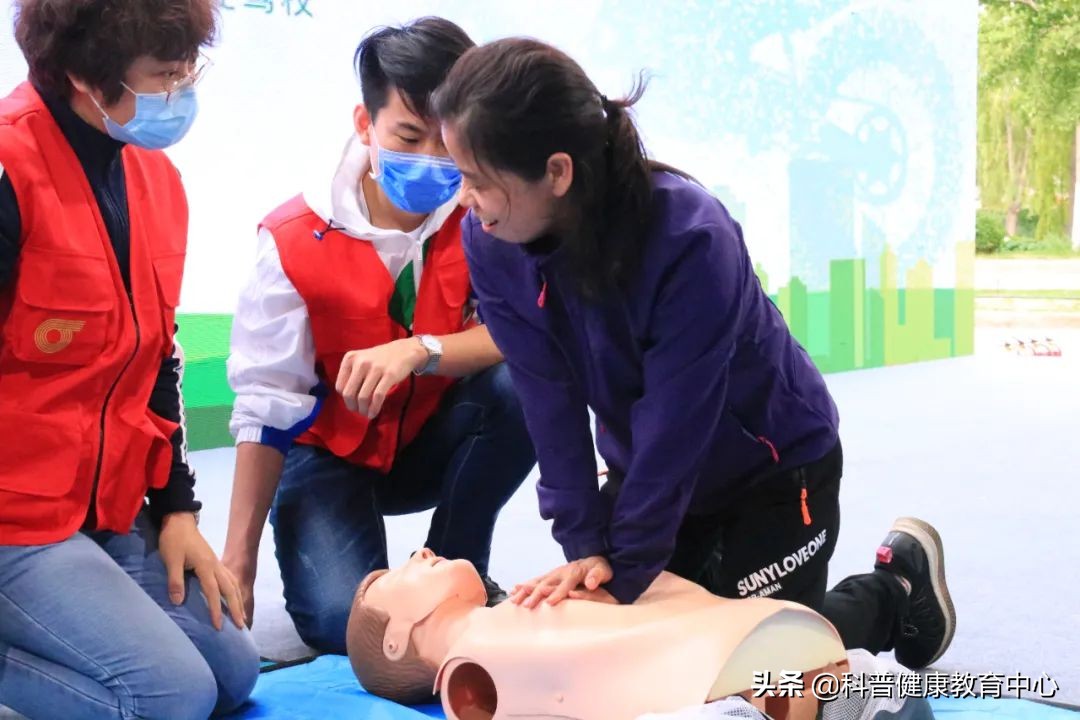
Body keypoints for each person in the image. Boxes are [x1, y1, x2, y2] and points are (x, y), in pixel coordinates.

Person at [430, 38, 955, 669]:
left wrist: (626, 570)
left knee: (735, 669)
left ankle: (894, 594)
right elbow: (547, 397)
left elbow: (678, 418)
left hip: (774, 468)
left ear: (558, 172)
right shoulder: (488, 240)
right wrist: (586, 548)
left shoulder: (689, 238)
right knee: (639, 654)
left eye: (479, 180)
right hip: (647, 469)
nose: (463, 199)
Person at [221, 17, 536, 654]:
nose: (432, 162)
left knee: (526, 383)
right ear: (365, 125)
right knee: (351, 630)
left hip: (431, 437)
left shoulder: (487, 211)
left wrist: (422, 350)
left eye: (448, 142)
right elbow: (265, 407)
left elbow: (528, 331)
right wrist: (238, 563)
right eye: (409, 136)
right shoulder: (290, 239)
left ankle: (459, 571)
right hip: (327, 455)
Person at [0, 2, 258, 719]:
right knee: (169, 698)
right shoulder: (8, 171)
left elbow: (157, 362)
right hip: (15, 518)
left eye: (188, 73)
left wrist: (176, 510)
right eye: (164, 78)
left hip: (106, 508)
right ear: (84, 77)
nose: (181, 94)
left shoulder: (155, 179)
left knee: (234, 674)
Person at [345, 548, 936, 720]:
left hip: (691, 647)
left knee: (776, 660)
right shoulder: (465, 673)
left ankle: (840, 693)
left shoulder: (519, 600)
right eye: (402, 571)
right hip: (661, 690)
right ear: (397, 638)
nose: (420, 551)